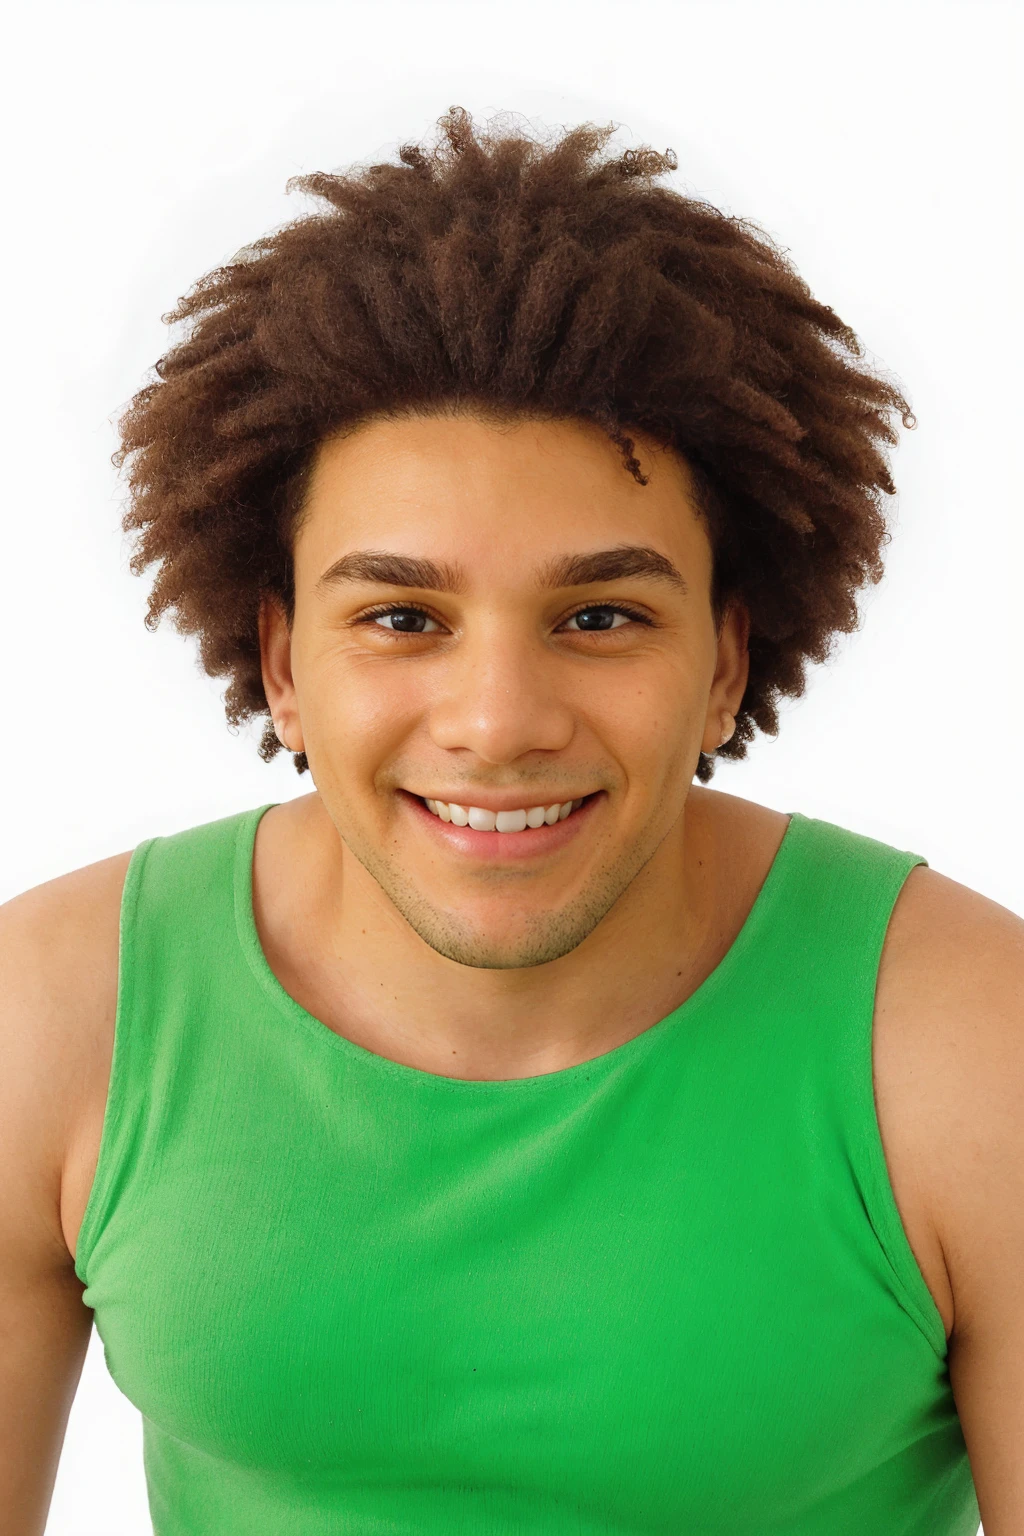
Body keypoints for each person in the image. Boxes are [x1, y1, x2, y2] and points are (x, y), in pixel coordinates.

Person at [1, 106, 1019, 1536]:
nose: (498, 720)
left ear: (724, 660)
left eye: (600, 615)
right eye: (401, 616)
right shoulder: (52, 1012)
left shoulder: (975, 1045)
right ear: (286, 663)